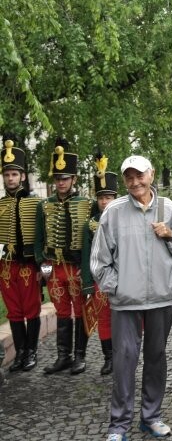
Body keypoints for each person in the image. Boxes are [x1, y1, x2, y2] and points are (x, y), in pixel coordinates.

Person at [90, 155, 172, 441]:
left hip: (161, 299)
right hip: (127, 302)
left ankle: (152, 417)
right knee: (124, 361)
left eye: (140, 175)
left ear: (152, 174)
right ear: (124, 180)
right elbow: (99, 260)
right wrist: (117, 287)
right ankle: (119, 424)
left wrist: (170, 235)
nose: (135, 182)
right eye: (129, 177)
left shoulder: (166, 208)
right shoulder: (114, 211)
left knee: (156, 358)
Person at [35, 137, 92, 375]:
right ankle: (63, 356)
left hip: (75, 268)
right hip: (53, 267)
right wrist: (45, 271)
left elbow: (91, 241)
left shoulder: (86, 204)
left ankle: (80, 357)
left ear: (73, 179)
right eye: (57, 179)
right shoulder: (44, 205)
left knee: (79, 311)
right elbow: (39, 241)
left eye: (65, 178)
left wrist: (86, 269)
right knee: (61, 312)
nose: (61, 183)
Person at [0, 134, 42, 372]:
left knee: (31, 308)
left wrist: (41, 268)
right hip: (6, 265)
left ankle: (32, 351)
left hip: (27, 265)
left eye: (14, 174)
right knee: (14, 310)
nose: (10, 178)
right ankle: (20, 353)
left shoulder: (35, 203)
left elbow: (40, 237)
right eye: (6, 175)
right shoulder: (0, 205)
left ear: (23, 177)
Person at [80, 151, 118, 375]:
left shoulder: (125, 217)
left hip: (124, 278)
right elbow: (86, 255)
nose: (104, 201)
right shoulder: (90, 225)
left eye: (109, 197)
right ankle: (109, 358)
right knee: (104, 318)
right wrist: (87, 283)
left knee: (123, 318)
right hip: (100, 281)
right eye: (101, 197)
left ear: (116, 197)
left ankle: (124, 354)